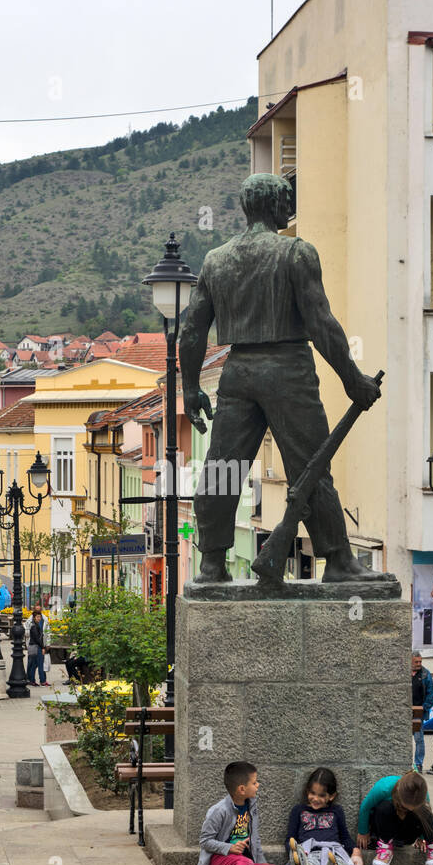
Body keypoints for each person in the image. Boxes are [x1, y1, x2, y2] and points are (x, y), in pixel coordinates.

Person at [179, 172, 383, 584]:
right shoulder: (296, 253)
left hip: (236, 373)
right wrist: (352, 378)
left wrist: (190, 386)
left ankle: (212, 564)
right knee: (311, 465)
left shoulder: (216, 260)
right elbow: (321, 321)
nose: (290, 208)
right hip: (288, 368)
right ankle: (339, 562)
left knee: (223, 468)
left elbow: (192, 330)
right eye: (286, 200)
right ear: (273, 205)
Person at [284, 767, 367, 865]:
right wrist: (294, 853)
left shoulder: (337, 811)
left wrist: (356, 851)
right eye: (312, 793)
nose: (316, 799)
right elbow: (290, 838)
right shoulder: (298, 810)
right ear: (307, 791)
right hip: (308, 853)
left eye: (322, 795)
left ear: (331, 796)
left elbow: (345, 837)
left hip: (333, 853)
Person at [197, 761, 281, 865]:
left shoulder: (251, 807)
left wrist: (261, 864)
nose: (258, 785)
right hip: (218, 862)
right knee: (245, 862)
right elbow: (205, 841)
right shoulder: (219, 810)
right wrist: (230, 848)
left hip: (242, 862)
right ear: (242, 789)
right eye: (254, 783)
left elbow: (255, 839)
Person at [357, 770, 433, 865]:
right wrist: (363, 831)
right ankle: (385, 848)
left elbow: (426, 819)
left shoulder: (422, 794)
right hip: (387, 828)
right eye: (406, 807)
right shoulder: (384, 787)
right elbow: (365, 807)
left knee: (424, 811)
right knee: (384, 807)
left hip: (409, 831)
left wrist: (422, 838)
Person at [411, 651, 433, 774]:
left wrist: (423, 708)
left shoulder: (425, 674)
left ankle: (418, 764)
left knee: (419, 739)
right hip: (404, 711)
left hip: (418, 712)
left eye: (420, 661)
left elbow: (431, 695)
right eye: (416, 662)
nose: (419, 664)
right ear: (410, 661)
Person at [26, 604, 51, 687]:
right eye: (37, 617)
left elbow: (47, 633)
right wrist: (43, 647)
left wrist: (47, 644)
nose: (39, 618)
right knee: (38, 664)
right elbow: (37, 638)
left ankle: (33, 680)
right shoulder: (32, 625)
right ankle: (41, 681)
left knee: (35, 664)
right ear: (34, 616)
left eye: (39, 616)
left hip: (35, 646)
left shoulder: (43, 621)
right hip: (37, 647)